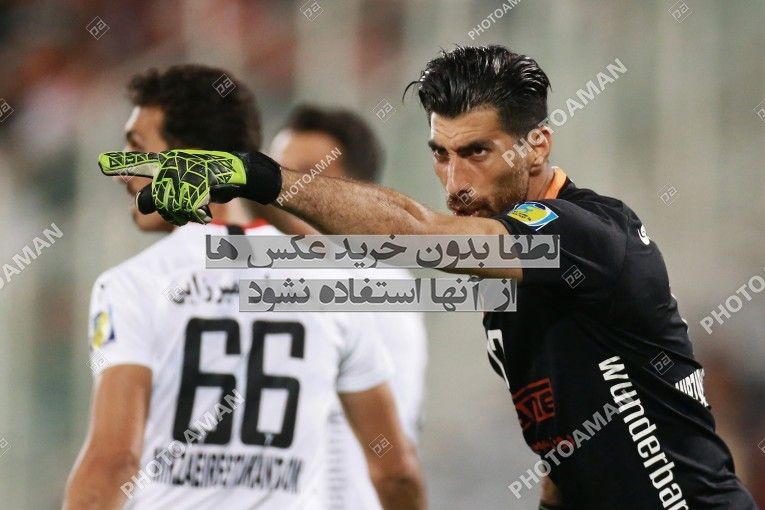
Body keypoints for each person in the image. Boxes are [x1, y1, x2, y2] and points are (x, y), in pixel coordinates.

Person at [103, 45, 760, 509]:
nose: (455, 180)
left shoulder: (584, 234)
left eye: (476, 152)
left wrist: (256, 174)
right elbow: (568, 442)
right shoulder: (518, 273)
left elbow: (419, 233)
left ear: (536, 145)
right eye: (441, 155)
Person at [66, 64, 425, 510]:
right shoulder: (339, 286)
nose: (123, 170)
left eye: (137, 148)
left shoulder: (132, 283)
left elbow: (115, 461)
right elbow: (396, 471)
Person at [252, 105, 428, 510]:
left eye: (306, 176)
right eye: (279, 173)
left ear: (357, 196)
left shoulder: (379, 282)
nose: (286, 192)